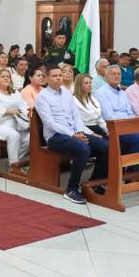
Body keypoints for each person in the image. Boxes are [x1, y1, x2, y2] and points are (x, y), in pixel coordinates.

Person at [34, 65, 109, 204]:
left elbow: (77, 118)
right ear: (46, 79)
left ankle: (93, 184)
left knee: (105, 146)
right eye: (54, 76)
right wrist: (73, 134)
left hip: (75, 133)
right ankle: (71, 189)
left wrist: (89, 133)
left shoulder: (67, 93)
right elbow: (50, 123)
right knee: (83, 148)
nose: (58, 78)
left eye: (60, 75)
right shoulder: (42, 97)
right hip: (55, 137)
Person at [95, 65, 139, 174]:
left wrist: (136, 127)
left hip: (130, 124)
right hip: (115, 127)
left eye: (119, 74)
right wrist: (131, 125)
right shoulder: (101, 93)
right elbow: (109, 116)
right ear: (106, 77)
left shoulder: (123, 93)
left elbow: (130, 113)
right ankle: (132, 174)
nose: (117, 76)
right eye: (113, 74)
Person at [0, 68, 30, 171]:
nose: (6, 78)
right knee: (14, 135)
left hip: (14, 123)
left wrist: (26, 113)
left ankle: (16, 161)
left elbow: (23, 106)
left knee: (29, 138)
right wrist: (8, 111)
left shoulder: (15, 93)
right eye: (3, 76)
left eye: (8, 77)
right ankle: (14, 167)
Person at [72, 73, 108, 138]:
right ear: (79, 85)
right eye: (86, 83)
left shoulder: (94, 99)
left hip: (97, 127)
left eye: (90, 82)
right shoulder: (74, 100)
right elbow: (78, 122)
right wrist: (93, 134)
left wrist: (108, 131)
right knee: (106, 146)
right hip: (84, 130)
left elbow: (100, 119)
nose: (89, 85)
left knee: (118, 143)